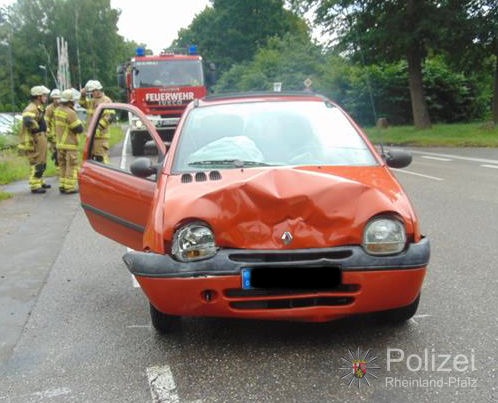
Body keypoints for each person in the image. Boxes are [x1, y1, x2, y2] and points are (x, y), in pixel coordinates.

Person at [17, 85, 51, 194]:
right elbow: (27, 120)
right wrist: (37, 128)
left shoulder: (38, 107)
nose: (46, 97)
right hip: (35, 139)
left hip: (40, 137)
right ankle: (35, 185)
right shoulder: (31, 108)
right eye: (44, 95)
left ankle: (40, 181)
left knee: (42, 161)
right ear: (38, 97)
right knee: (37, 162)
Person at [54, 89, 84, 194]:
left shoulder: (57, 110)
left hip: (59, 144)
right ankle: (69, 187)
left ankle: (62, 185)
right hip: (70, 144)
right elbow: (78, 129)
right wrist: (80, 121)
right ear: (70, 101)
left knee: (62, 165)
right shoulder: (70, 112)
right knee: (71, 165)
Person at [79, 80, 113, 163]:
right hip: (92, 137)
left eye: (92, 91)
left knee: (101, 159)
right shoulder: (92, 101)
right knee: (92, 160)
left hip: (101, 137)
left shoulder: (106, 101)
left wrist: (96, 129)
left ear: (98, 91)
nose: (91, 94)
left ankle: (105, 175)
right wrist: (82, 95)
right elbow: (82, 103)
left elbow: (108, 118)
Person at [45, 88, 61, 166]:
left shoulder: (63, 107)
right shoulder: (49, 108)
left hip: (62, 133)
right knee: (55, 151)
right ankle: (58, 166)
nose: (56, 100)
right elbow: (46, 121)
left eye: (58, 98)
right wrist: (48, 132)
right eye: (55, 99)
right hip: (53, 134)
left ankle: (60, 166)